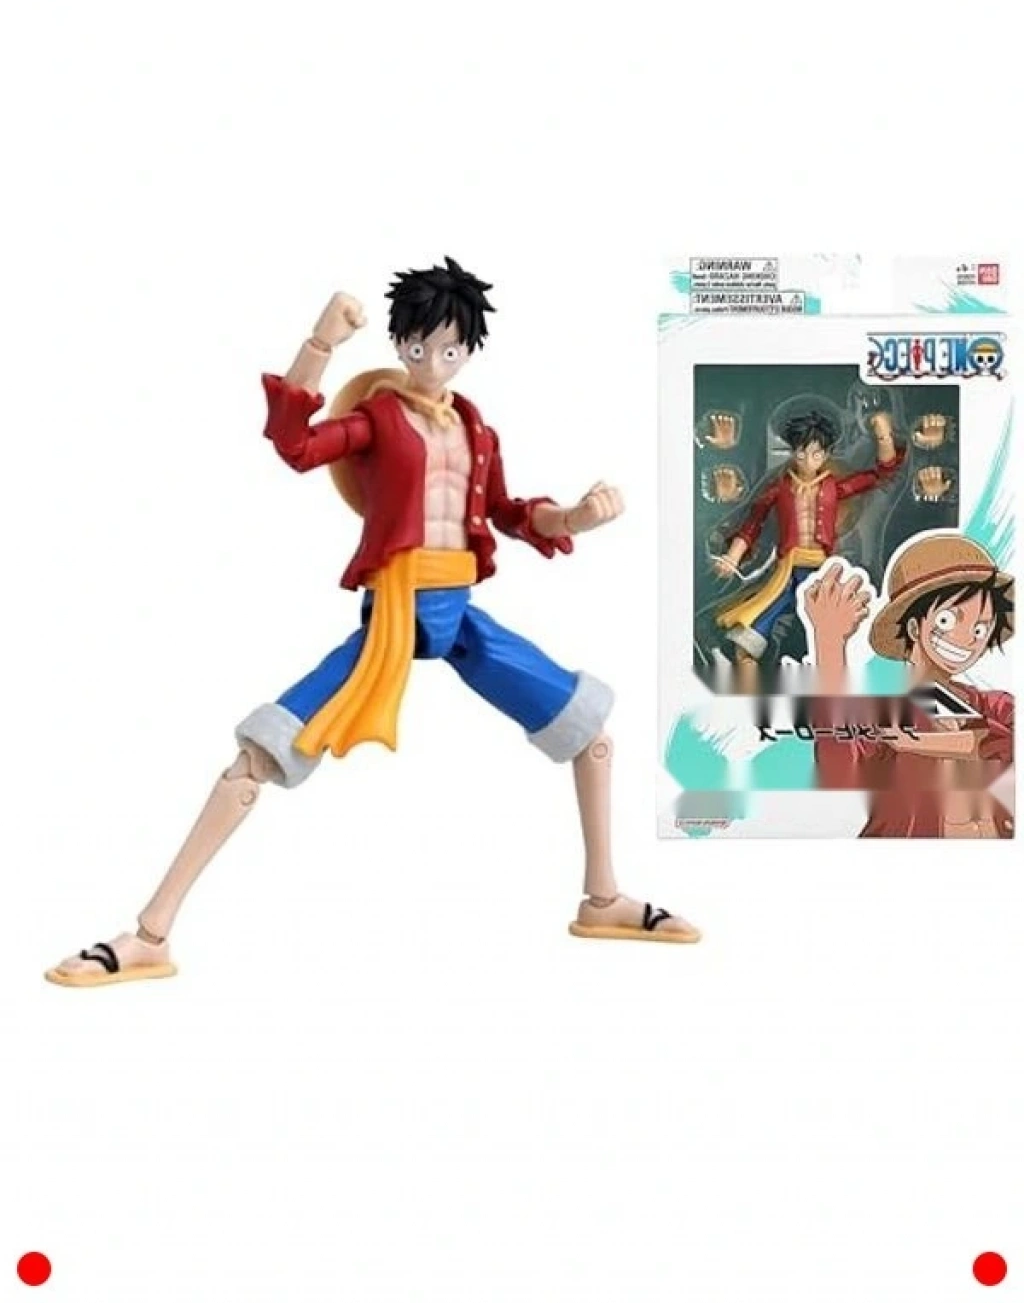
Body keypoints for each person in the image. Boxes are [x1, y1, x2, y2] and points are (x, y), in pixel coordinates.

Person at [47, 258, 699, 987]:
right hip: (395, 613)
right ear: (401, 344)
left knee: (589, 733)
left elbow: (509, 513)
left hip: (460, 616)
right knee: (260, 755)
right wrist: (319, 343)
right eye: (420, 347)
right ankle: (151, 933)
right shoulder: (379, 419)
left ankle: (603, 899)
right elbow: (296, 445)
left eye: (449, 348)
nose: (434, 361)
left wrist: (574, 516)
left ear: (468, 349)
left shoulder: (477, 428)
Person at [804, 535, 1014, 838]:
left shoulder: (995, 705)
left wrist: (913, 742)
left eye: (981, 628)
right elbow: (839, 768)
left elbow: (1005, 743)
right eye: (947, 620)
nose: (968, 638)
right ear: (914, 627)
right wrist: (829, 644)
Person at [711, 407, 906, 687]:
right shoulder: (779, 488)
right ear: (793, 452)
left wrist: (883, 433)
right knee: (753, 628)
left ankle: (846, 675)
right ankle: (745, 683)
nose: (807, 460)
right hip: (787, 572)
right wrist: (732, 557)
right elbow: (753, 523)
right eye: (801, 453)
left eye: (815, 454)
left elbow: (881, 474)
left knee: (837, 625)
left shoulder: (834, 487)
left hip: (822, 571)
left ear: (826, 454)